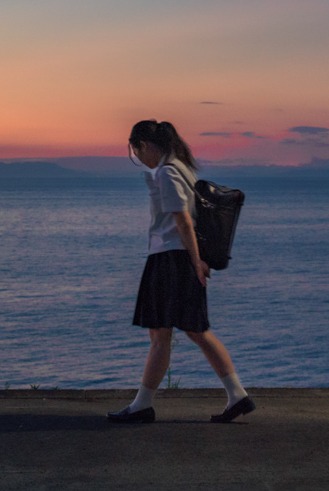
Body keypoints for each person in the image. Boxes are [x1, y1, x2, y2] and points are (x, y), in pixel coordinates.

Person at [107, 119, 256, 425]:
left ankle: (142, 406)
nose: (139, 159)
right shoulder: (182, 169)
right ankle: (236, 394)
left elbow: (183, 221)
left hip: (170, 260)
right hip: (177, 258)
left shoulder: (167, 172)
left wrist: (196, 261)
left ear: (144, 146)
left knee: (167, 334)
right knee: (190, 331)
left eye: (136, 152)